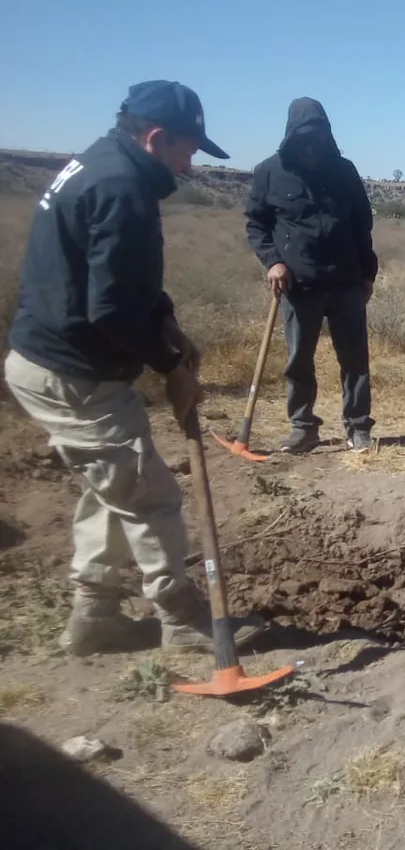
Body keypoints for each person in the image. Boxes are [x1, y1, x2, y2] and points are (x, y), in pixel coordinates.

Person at [3, 80, 266, 656]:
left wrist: (167, 321)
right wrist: (171, 366)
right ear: (156, 137)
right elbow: (111, 308)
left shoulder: (100, 165)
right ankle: (182, 618)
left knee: (112, 488)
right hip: (73, 374)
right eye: (187, 149)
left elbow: (125, 279)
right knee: (148, 497)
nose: (190, 163)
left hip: (57, 365)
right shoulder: (121, 186)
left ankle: (94, 614)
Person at [244, 97, 378, 454]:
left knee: (354, 360)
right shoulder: (269, 171)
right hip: (298, 284)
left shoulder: (344, 171)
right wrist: (273, 261)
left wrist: (368, 274)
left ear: (326, 134)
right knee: (298, 360)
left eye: (317, 134)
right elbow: (256, 224)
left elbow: (362, 226)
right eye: (304, 135)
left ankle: (358, 427)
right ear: (291, 134)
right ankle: (303, 427)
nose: (311, 142)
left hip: (347, 280)